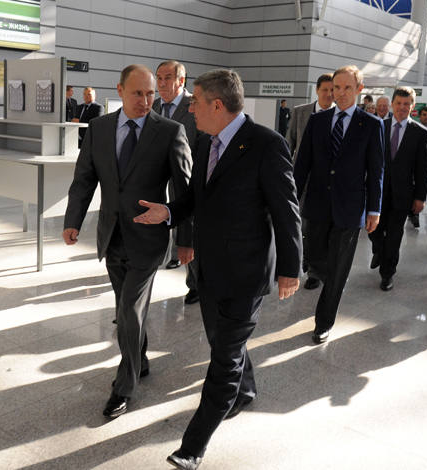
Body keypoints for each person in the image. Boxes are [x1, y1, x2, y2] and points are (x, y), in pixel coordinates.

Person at [134, 69, 302, 470]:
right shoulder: (206, 139)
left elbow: (287, 212)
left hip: (245, 275)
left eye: (194, 102)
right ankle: (245, 391)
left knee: (223, 360)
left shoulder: (267, 144)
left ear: (217, 105)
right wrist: (169, 212)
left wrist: (291, 269)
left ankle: (192, 447)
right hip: (209, 272)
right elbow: (196, 196)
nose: (189, 108)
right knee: (222, 343)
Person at [62, 64, 192, 418]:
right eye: (138, 93)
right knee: (126, 309)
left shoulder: (170, 131)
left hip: (149, 239)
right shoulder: (100, 128)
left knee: (129, 312)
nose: (146, 100)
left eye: (151, 93)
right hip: (112, 237)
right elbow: (84, 178)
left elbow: (185, 192)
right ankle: (142, 359)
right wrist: (72, 221)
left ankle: (126, 384)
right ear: (119, 91)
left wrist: (184, 237)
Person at [293, 64, 384, 344]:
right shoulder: (318, 121)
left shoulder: (371, 124)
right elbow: (302, 164)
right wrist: (291, 199)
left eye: (346, 88)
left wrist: (374, 208)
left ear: (359, 89)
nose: (340, 93)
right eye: (336, 88)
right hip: (317, 204)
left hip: (351, 207)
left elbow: (376, 169)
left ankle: (323, 322)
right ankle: (330, 279)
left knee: (339, 266)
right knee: (313, 256)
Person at [368, 87, 427, 291]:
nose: (402, 107)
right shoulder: (378, 126)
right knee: (374, 230)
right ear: (392, 104)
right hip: (377, 191)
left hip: (403, 194)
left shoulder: (419, 132)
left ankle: (387, 274)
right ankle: (378, 249)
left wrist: (420, 197)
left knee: (394, 236)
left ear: (412, 107)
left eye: (406, 104)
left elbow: (423, 167)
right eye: (398, 103)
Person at [153, 60, 202, 304]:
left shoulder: (194, 105)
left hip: (186, 179)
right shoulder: (152, 106)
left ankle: (194, 284)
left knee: (188, 228)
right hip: (158, 179)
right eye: (159, 78)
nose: (162, 83)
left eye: (167, 78)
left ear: (181, 80)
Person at [286, 73, 335, 290]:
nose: (329, 94)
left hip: (324, 186)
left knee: (317, 229)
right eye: (325, 89)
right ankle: (304, 259)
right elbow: (289, 145)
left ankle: (314, 272)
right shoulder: (300, 112)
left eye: (333, 90)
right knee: (300, 226)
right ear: (317, 90)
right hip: (300, 182)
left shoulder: (338, 116)